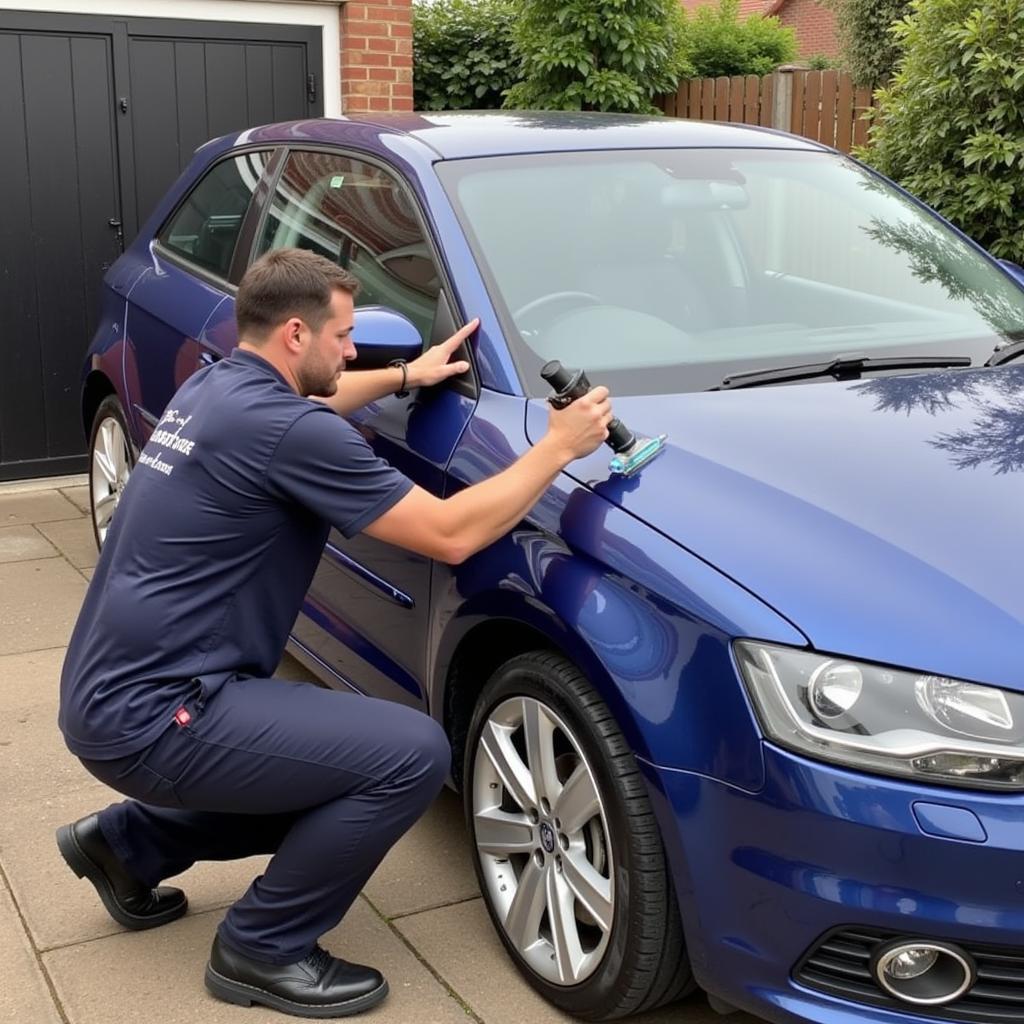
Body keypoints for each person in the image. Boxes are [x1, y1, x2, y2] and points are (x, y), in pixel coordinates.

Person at [56, 247, 614, 1018]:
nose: (355, 350)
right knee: (407, 756)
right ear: (294, 333)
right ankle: (261, 946)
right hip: (160, 715)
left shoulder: (217, 383)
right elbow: (452, 533)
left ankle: (125, 848)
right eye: (345, 335)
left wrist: (407, 377)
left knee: (322, 770)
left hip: (108, 691)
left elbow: (320, 399)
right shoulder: (290, 430)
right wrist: (559, 446)